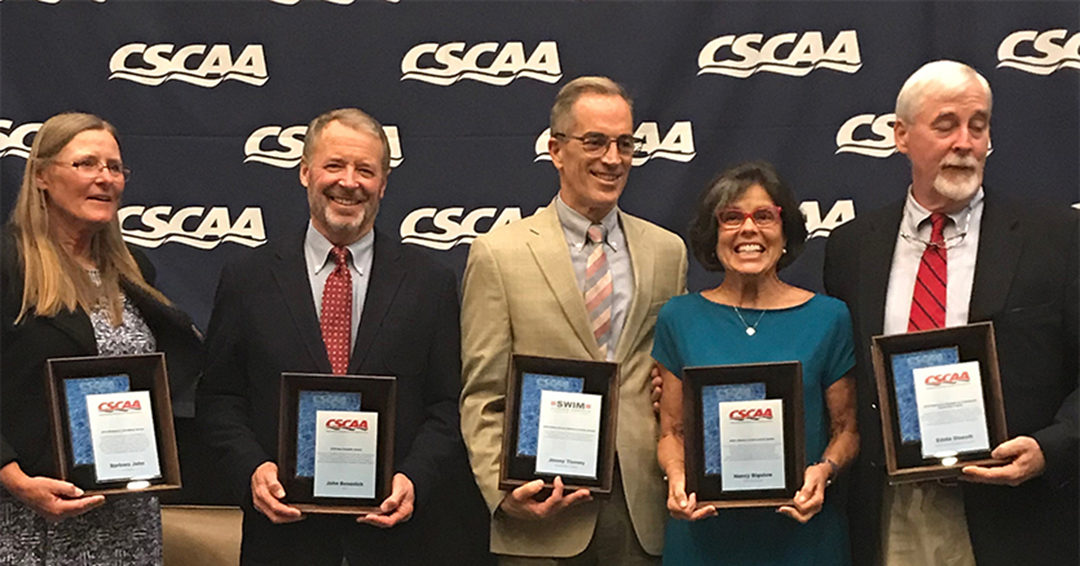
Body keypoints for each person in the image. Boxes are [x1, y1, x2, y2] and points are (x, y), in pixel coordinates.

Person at [824, 60, 1078, 566]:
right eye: (945, 125)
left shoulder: (1058, 237)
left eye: (978, 126)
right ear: (901, 136)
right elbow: (838, 375)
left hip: (1016, 517)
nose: (965, 141)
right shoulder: (852, 248)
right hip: (893, 515)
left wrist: (1052, 446)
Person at [196, 108, 468, 565]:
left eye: (366, 170)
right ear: (305, 172)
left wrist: (415, 478)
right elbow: (220, 398)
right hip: (284, 542)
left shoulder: (430, 282)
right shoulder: (249, 278)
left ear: (383, 183)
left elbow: (447, 404)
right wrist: (253, 471)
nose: (349, 181)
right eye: (334, 165)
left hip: (395, 542)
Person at [459, 76, 687, 564]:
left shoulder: (668, 252)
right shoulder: (499, 254)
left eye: (625, 143)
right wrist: (503, 493)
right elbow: (482, 392)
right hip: (541, 511)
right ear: (556, 149)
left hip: (641, 509)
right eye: (595, 142)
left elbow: (671, 373)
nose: (612, 158)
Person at [0, 112, 202, 565]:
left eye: (114, 168)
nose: (104, 178)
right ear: (41, 176)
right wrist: (11, 476)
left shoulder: (134, 270)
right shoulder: (9, 267)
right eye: (86, 164)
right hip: (32, 517)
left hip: (128, 519)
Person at [654, 161, 858, 565]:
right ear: (713, 235)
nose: (748, 230)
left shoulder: (829, 317)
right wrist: (676, 479)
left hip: (803, 536)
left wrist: (826, 470)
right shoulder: (678, 317)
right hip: (703, 536)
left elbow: (847, 428)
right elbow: (671, 432)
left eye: (764, 216)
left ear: (785, 232)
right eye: (732, 218)